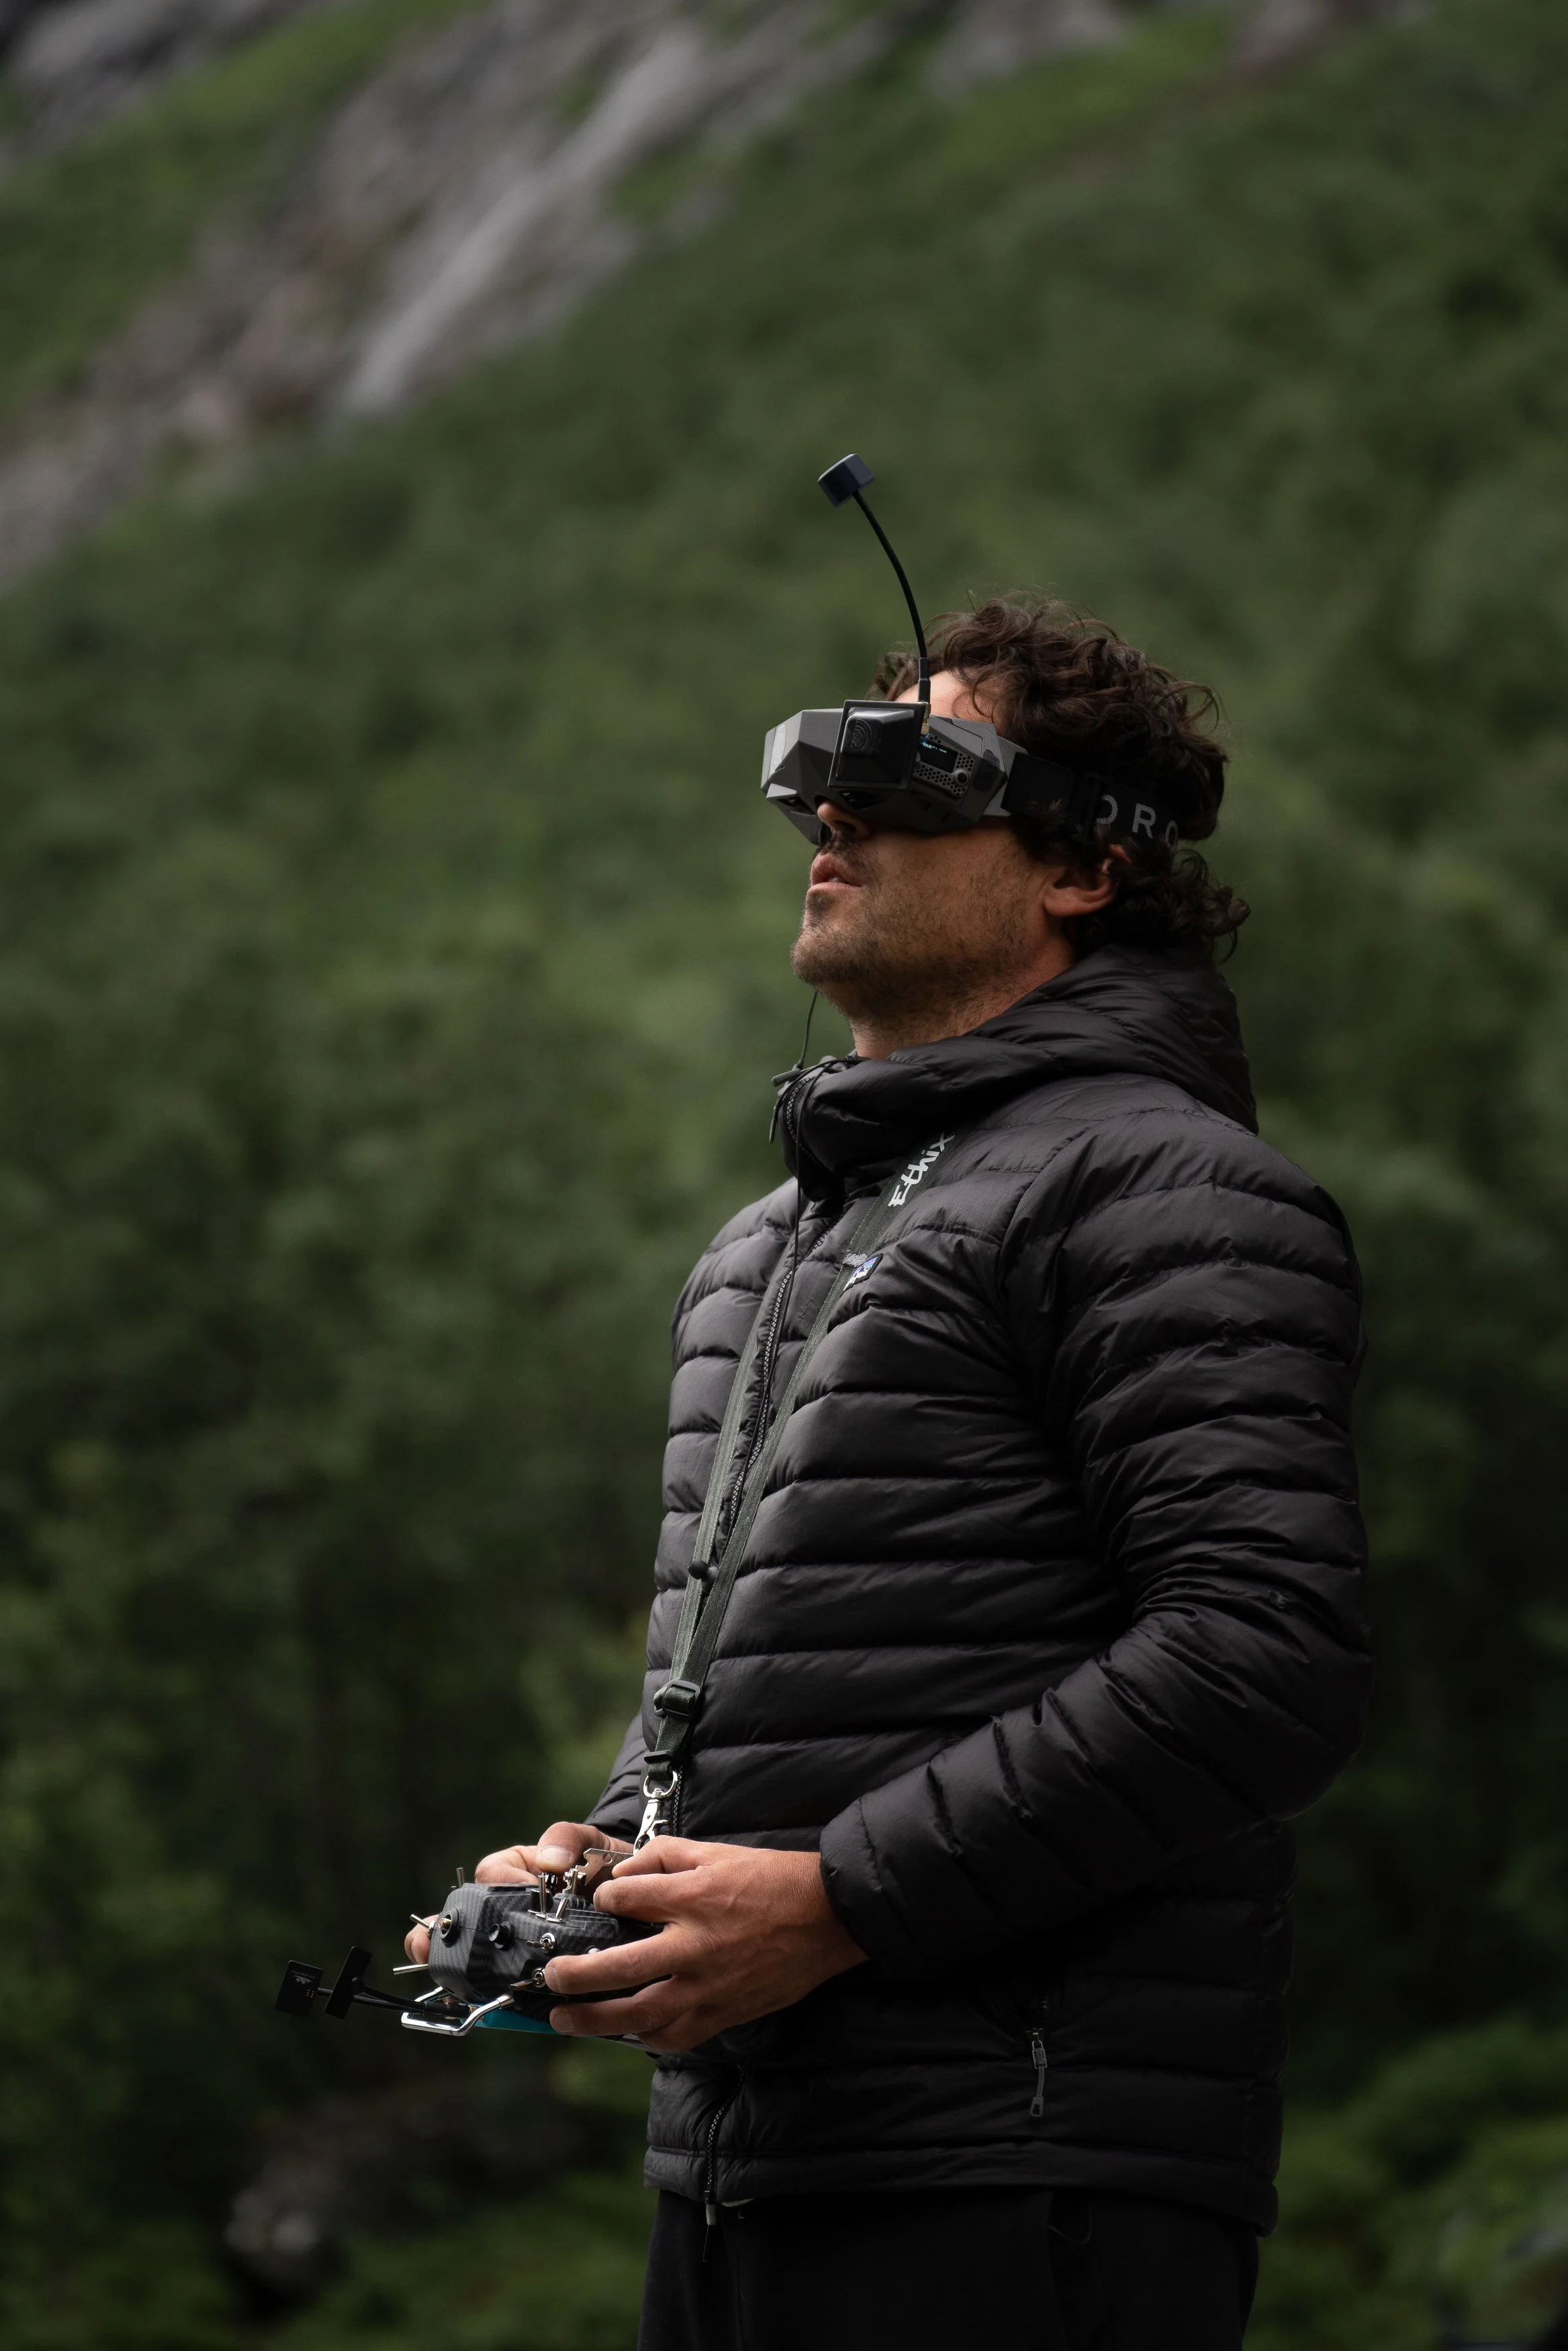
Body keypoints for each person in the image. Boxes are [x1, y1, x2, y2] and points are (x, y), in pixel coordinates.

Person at [408, 599, 1371, 2349]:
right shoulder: (758, 1249)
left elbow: (1263, 1654)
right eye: (813, 777)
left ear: (1082, 860)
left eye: (908, 771)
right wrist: (619, 1861)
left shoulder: (1173, 1194)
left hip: (1021, 2180)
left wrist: (840, 1898)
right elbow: (780, 1670)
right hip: (735, 2175)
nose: (827, 817)